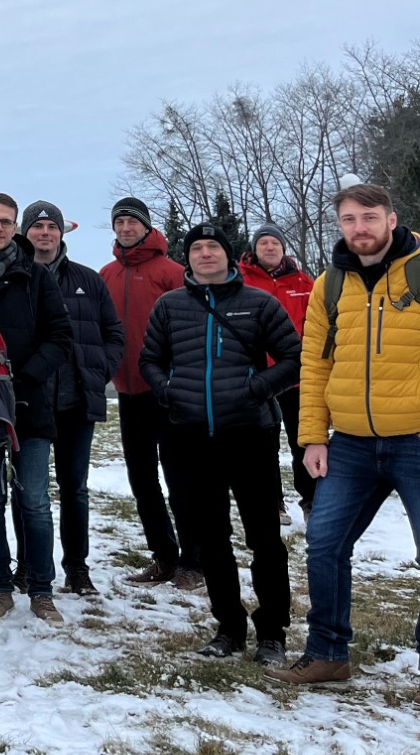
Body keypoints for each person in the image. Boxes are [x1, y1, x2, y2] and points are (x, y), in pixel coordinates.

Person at [268, 183, 420, 709]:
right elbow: (316, 365)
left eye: (369, 217)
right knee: (324, 545)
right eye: (349, 219)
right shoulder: (330, 285)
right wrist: (310, 438)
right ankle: (328, 653)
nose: (359, 228)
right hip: (349, 445)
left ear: (391, 219)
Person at [140, 223, 302, 665]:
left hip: (251, 432)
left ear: (229, 256)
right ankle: (228, 626)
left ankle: (272, 632)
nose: (205, 254)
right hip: (192, 436)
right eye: (197, 248)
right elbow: (149, 359)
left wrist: (257, 388)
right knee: (211, 537)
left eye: (214, 247)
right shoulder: (170, 307)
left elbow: (294, 358)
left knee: (264, 537)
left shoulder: (259, 303)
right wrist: (169, 390)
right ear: (187, 258)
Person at [0, 195, 74, 624]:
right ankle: (0, 587)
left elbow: (60, 337)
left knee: (36, 501)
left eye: (6, 221)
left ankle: (41, 589)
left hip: (29, 404)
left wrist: (24, 378)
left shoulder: (36, 277)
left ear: (14, 227)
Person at [20, 203, 125, 596]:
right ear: (26, 232)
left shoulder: (88, 280)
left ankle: (76, 567)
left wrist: (99, 370)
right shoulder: (16, 278)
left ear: (62, 234)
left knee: (74, 488)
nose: (44, 233)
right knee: (28, 491)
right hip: (30, 402)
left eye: (51, 227)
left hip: (76, 400)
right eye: (37, 227)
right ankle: (28, 565)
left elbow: (113, 331)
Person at [101, 197, 200, 589]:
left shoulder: (172, 271)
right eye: (119, 222)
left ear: (146, 226)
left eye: (132, 222)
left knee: (181, 479)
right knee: (142, 480)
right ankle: (164, 556)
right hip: (129, 392)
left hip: (169, 392)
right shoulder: (106, 273)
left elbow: (193, 327)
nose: (125, 228)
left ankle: (194, 561)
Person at [240, 224, 318, 516]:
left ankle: (310, 500)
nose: (269, 247)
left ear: (283, 248)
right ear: (255, 249)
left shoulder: (303, 283)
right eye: (264, 243)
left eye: (275, 242)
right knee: (263, 446)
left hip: (297, 378)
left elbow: (318, 326)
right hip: (259, 379)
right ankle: (273, 503)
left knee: (305, 441)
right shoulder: (240, 280)